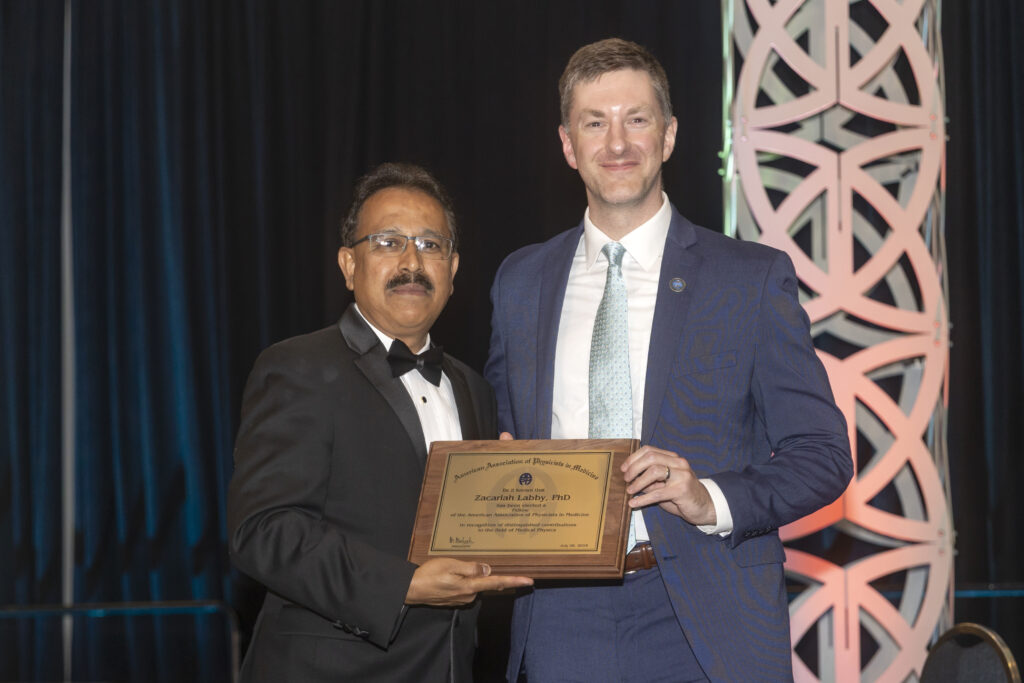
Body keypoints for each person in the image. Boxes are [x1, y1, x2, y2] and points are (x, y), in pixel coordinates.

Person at [485, 38, 852, 681]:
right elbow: (503, 439)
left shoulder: (750, 279)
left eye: (637, 119)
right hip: (560, 618)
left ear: (670, 135)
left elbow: (823, 455)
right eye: (594, 123)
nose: (617, 143)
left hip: (707, 615)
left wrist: (710, 499)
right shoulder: (520, 282)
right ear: (568, 145)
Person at [228, 162, 532, 683]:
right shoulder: (297, 367)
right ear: (349, 265)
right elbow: (263, 532)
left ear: (453, 269)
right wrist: (404, 586)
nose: (412, 262)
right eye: (389, 243)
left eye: (431, 245)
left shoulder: (474, 389)